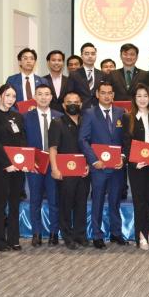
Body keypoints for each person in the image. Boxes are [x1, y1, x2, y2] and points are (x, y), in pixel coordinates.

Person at [79, 80, 128, 249]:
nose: (107, 96)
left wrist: (123, 157)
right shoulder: (89, 113)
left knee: (115, 201)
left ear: (113, 95)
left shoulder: (121, 112)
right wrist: (93, 160)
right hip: (98, 167)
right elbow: (83, 139)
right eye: (103, 93)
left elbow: (125, 139)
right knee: (98, 201)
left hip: (117, 167)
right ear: (97, 94)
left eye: (110, 93)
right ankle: (97, 235)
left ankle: (116, 233)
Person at [0, 84, 27, 252]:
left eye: (13, 96)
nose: (11, 99)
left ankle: (13, 239)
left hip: (18, 167)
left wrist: (24, 162)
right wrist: (7, 164)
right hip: (1, 167)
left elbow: (22, 140)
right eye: (7, 95)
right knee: (1, 203)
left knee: (15, 203)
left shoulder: (18, 116)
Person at [49, 90, 90, 249]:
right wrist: (54, 168)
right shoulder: (57, 123)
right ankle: (67, 236)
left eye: (76, 102)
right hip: (64, 172)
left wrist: (88, 164)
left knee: (81, 204)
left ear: (81, 104)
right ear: (64, 105)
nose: (73, 104)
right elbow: (53, 148)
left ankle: (80, 235)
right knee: (65, 205)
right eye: (69, 102)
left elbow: (89, 146)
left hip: (83, 171)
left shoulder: (86, 121)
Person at [123, 84, 149, 249]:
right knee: (139, 202)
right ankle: (140, 235)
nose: (142, 99)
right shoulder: (128, 117)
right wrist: (133, 162)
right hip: (136, 165)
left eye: (145, 96)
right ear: (134, 98)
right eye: (139, 96)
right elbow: (126, 143)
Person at [24, 84, 63, 246]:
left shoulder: (60, 116)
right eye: (40, 94)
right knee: (35, 200)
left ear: (51, 97)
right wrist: (28, 161)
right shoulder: (26, 117)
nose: (43, 97)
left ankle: (54, 233)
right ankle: (36, 233)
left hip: (54, 164)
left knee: (54, 200)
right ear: (34, 96)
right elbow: (23, 142)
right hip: (35, 164)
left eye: (47, 94)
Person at [66, 43, 103, 109]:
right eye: (87, 54)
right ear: (81, 56)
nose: (90, 56)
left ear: (96, 56)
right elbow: (70, 94)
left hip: (99, 109)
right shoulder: (74, 74)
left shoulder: (102, 74)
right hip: (81, 110)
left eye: (93, 54)